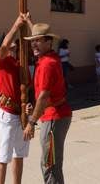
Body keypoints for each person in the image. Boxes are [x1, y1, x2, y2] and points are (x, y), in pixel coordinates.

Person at [24, 22, 72, 184]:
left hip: (54, 116)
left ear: (49, 42)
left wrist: (31, 122)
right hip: (53, 114)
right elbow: (41, 96)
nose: (34, 44)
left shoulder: (47, 64)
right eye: (32, 41)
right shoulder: (48, 57)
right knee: (52, 163)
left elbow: (44, 96)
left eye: (38, 40)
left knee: (49, 164)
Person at [0, 15, 29, 184]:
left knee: (19, 154)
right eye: (10, 47)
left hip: (20, 114)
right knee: (4, 156)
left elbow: (27, 88)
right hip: (7, 113)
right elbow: (5, 45)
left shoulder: (18, 64)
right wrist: (16, 25)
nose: (13, 48)